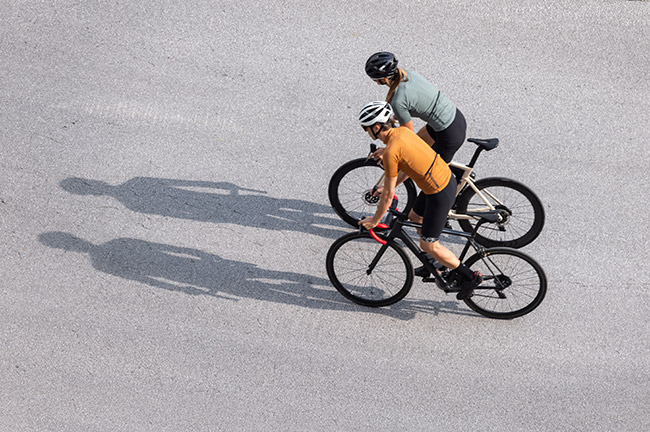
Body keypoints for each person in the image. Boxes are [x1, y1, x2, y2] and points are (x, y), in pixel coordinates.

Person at [357, 101, 482, 300]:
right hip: (442, 180)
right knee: (415, 217)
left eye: (367, 128)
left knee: (428, 245)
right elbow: (408, 165)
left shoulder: (391, 152)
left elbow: (388, 196)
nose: (366, 132)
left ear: (377, 127)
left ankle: (470, 276)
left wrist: (374, 220)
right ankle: (437, 263)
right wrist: (388, 185)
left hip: (440, 193)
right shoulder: (402, 134)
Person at [365, 51, 466, 164]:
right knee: (416, 152)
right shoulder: (408, 75)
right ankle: (460, 175)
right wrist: (397, 117)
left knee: (422, 169)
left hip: (449, 134)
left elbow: (407, 137)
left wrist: (388, 150)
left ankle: (457, 178)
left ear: (383, 79)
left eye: (374, 79)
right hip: (455, 118)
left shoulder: (397, 101)